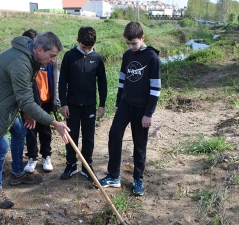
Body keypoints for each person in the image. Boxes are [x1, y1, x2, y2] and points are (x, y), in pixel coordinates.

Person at [0, 31, 70, 209]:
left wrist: (26, 110)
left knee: (20, 129)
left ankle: (17, 173)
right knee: (1, 146)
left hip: (0, 101)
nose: (53, 60)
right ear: (39, 49)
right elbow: (27, 100)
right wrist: (54, 123)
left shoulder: (31, 56)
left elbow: (25, 88)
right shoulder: (20, 62)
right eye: (52, 56)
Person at [98, 21, 161, 196]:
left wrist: (148, 113)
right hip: (125, 105)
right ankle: (113, 176)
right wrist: (118, 104)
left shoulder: (152, 58)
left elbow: (155, 88)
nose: (131, 47)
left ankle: (138, 179)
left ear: (142, 38)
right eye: (128, 43)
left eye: (134, 43)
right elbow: (121, 81)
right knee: (114, 135)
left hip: (142, 109)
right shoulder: (127, 56)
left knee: (139, 144)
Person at [58, 26, 107, 181]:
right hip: (71, 105)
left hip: (89, 105)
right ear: (78, 41)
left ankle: (87, 167)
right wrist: (63, 103)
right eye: (84, 47)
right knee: (71, 135)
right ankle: (71, 165)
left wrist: (102, 104)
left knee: (88, 136)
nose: (86, 50)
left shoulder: (97, 58)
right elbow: (62, 82)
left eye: (90, 48)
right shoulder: (69, 56)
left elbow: (103, 83)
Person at [21, 29, 59, 173]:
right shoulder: (26, 63)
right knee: (30, 131)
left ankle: (46, 156)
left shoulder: (49, 61)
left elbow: (55, 80)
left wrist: (55, 100)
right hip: (29, 103)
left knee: (45, 131)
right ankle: (32, 158)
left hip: (45, 102)